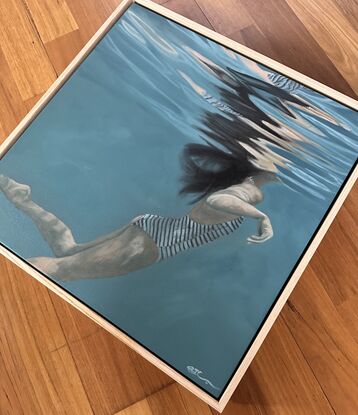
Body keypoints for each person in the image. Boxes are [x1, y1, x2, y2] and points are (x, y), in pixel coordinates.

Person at [0, 164, 275, 281]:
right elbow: (219, 203)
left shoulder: (241, 186)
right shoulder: (248, 194)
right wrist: (261, 217)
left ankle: (21, 198)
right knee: (61, 269)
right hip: (152, 244)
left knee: (68, 251)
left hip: (149, 231)